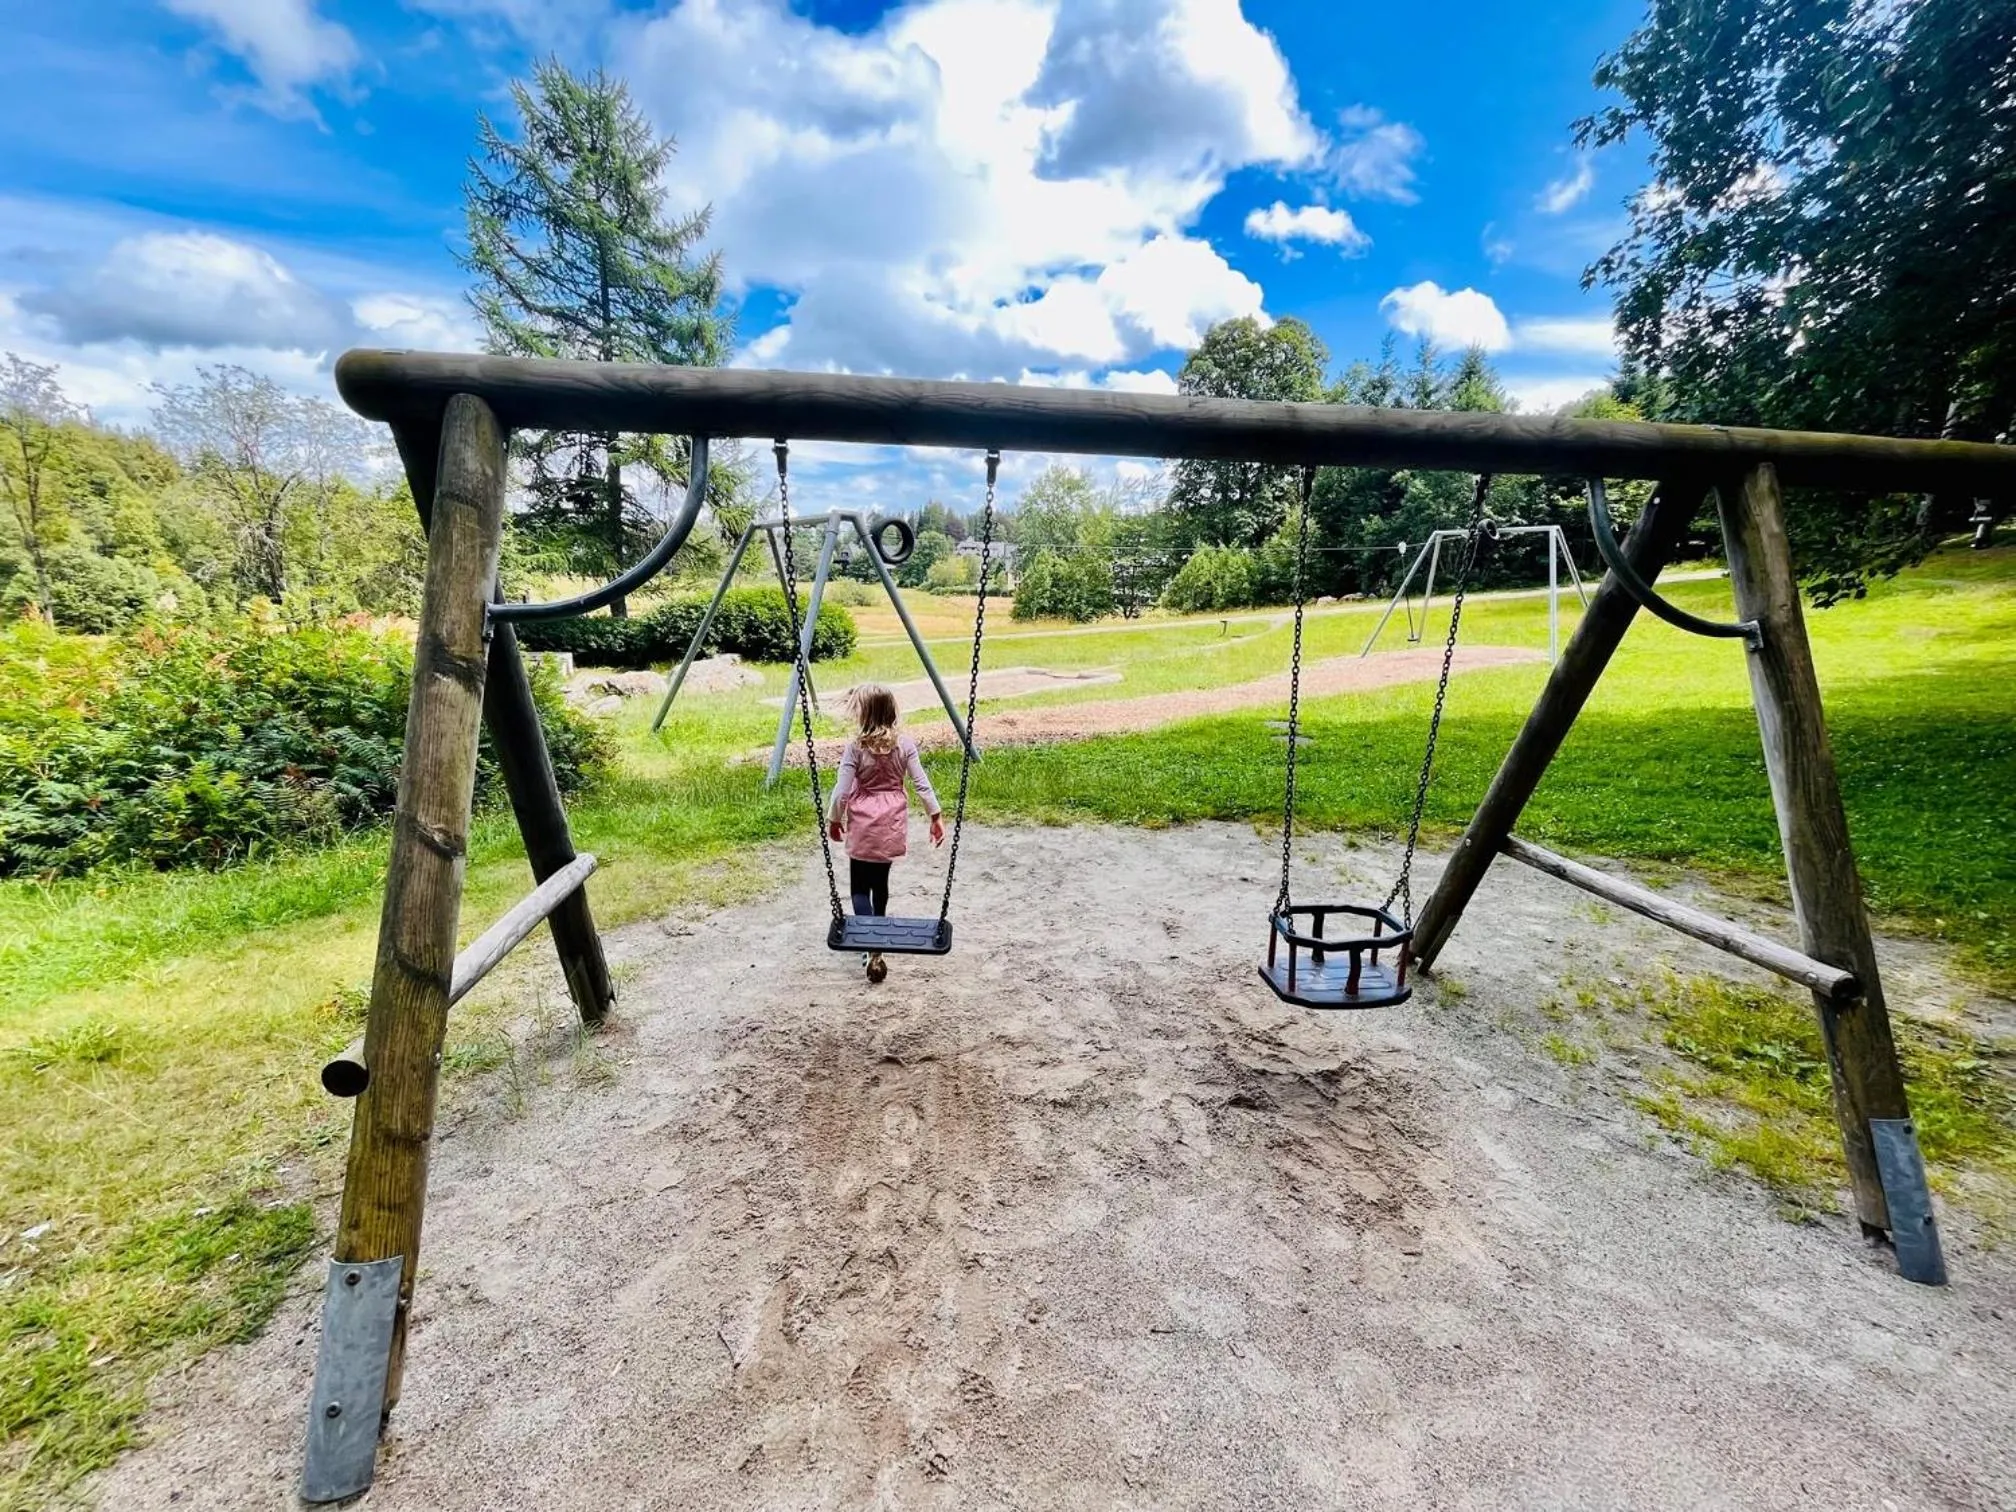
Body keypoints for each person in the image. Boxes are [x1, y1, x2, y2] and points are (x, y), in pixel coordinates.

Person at [826, 683, 944, 982]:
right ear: (892, 711)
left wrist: (835, 819)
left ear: (863, 713)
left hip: (864, 823)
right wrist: (936, 815)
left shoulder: (856, 747)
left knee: (857, 889)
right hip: (891, 823)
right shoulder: (904, 744)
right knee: (880, 885)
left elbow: (841, 791)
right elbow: (921, 783)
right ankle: (876, 941)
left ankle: (870, 941)